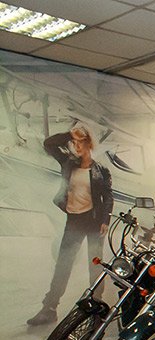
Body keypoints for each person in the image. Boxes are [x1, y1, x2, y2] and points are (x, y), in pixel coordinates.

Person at [28, 124, 113, 326]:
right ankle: (49, 309)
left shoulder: (101, 170)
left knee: (95, 266)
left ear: (89, 143)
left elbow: (108, 197)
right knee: (63, 265)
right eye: (74, 142)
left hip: (93, 221)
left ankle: (96, 307)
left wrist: (105, 220)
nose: (76, 146)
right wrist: (68, 134)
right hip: (74, 220)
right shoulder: (68, 162)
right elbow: (49, 144)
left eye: (80, 142)